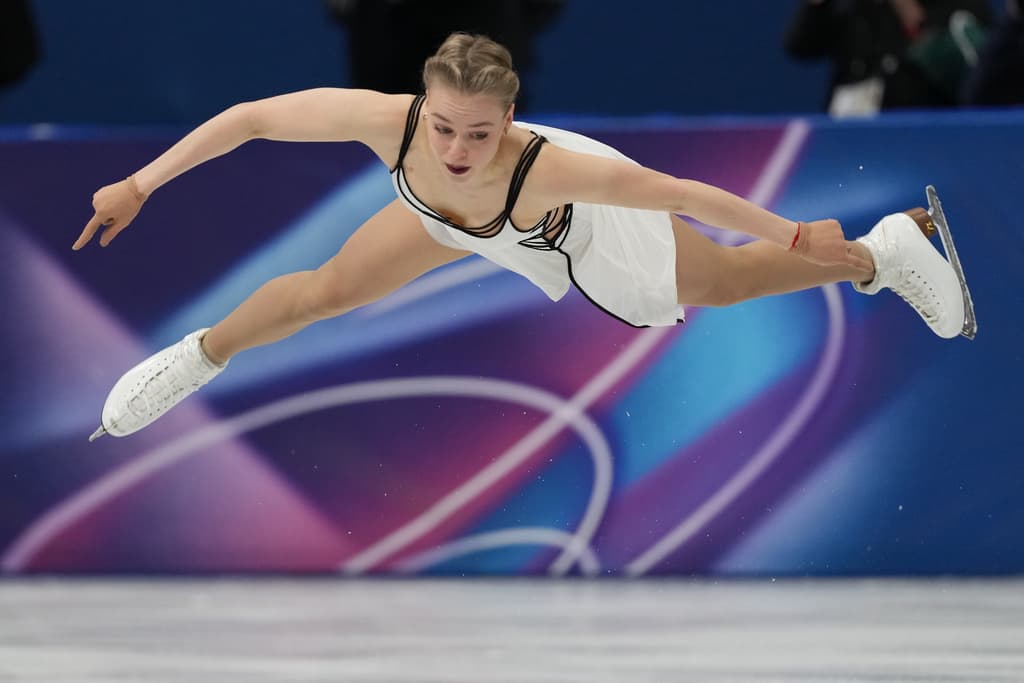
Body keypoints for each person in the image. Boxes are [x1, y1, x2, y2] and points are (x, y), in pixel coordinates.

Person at [74, 33, 969, 441]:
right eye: (444, 128)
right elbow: (253, 118)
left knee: (726, 282)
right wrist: (140, 183)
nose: (459, 150)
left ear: (510, 119)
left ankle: (877, 253)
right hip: (454, 227)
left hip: (572, 229)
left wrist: (795, 231)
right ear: (423, 105)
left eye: (480, 133)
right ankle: (195, 359)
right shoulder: (390, 123)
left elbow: (687, 191)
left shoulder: (551, 167)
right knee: (326, 291)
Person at [785, 0, 991, 117]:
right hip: (845, 128)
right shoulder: (854, 7)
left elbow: (969, 59)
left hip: (917, 129)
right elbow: (800, 46)